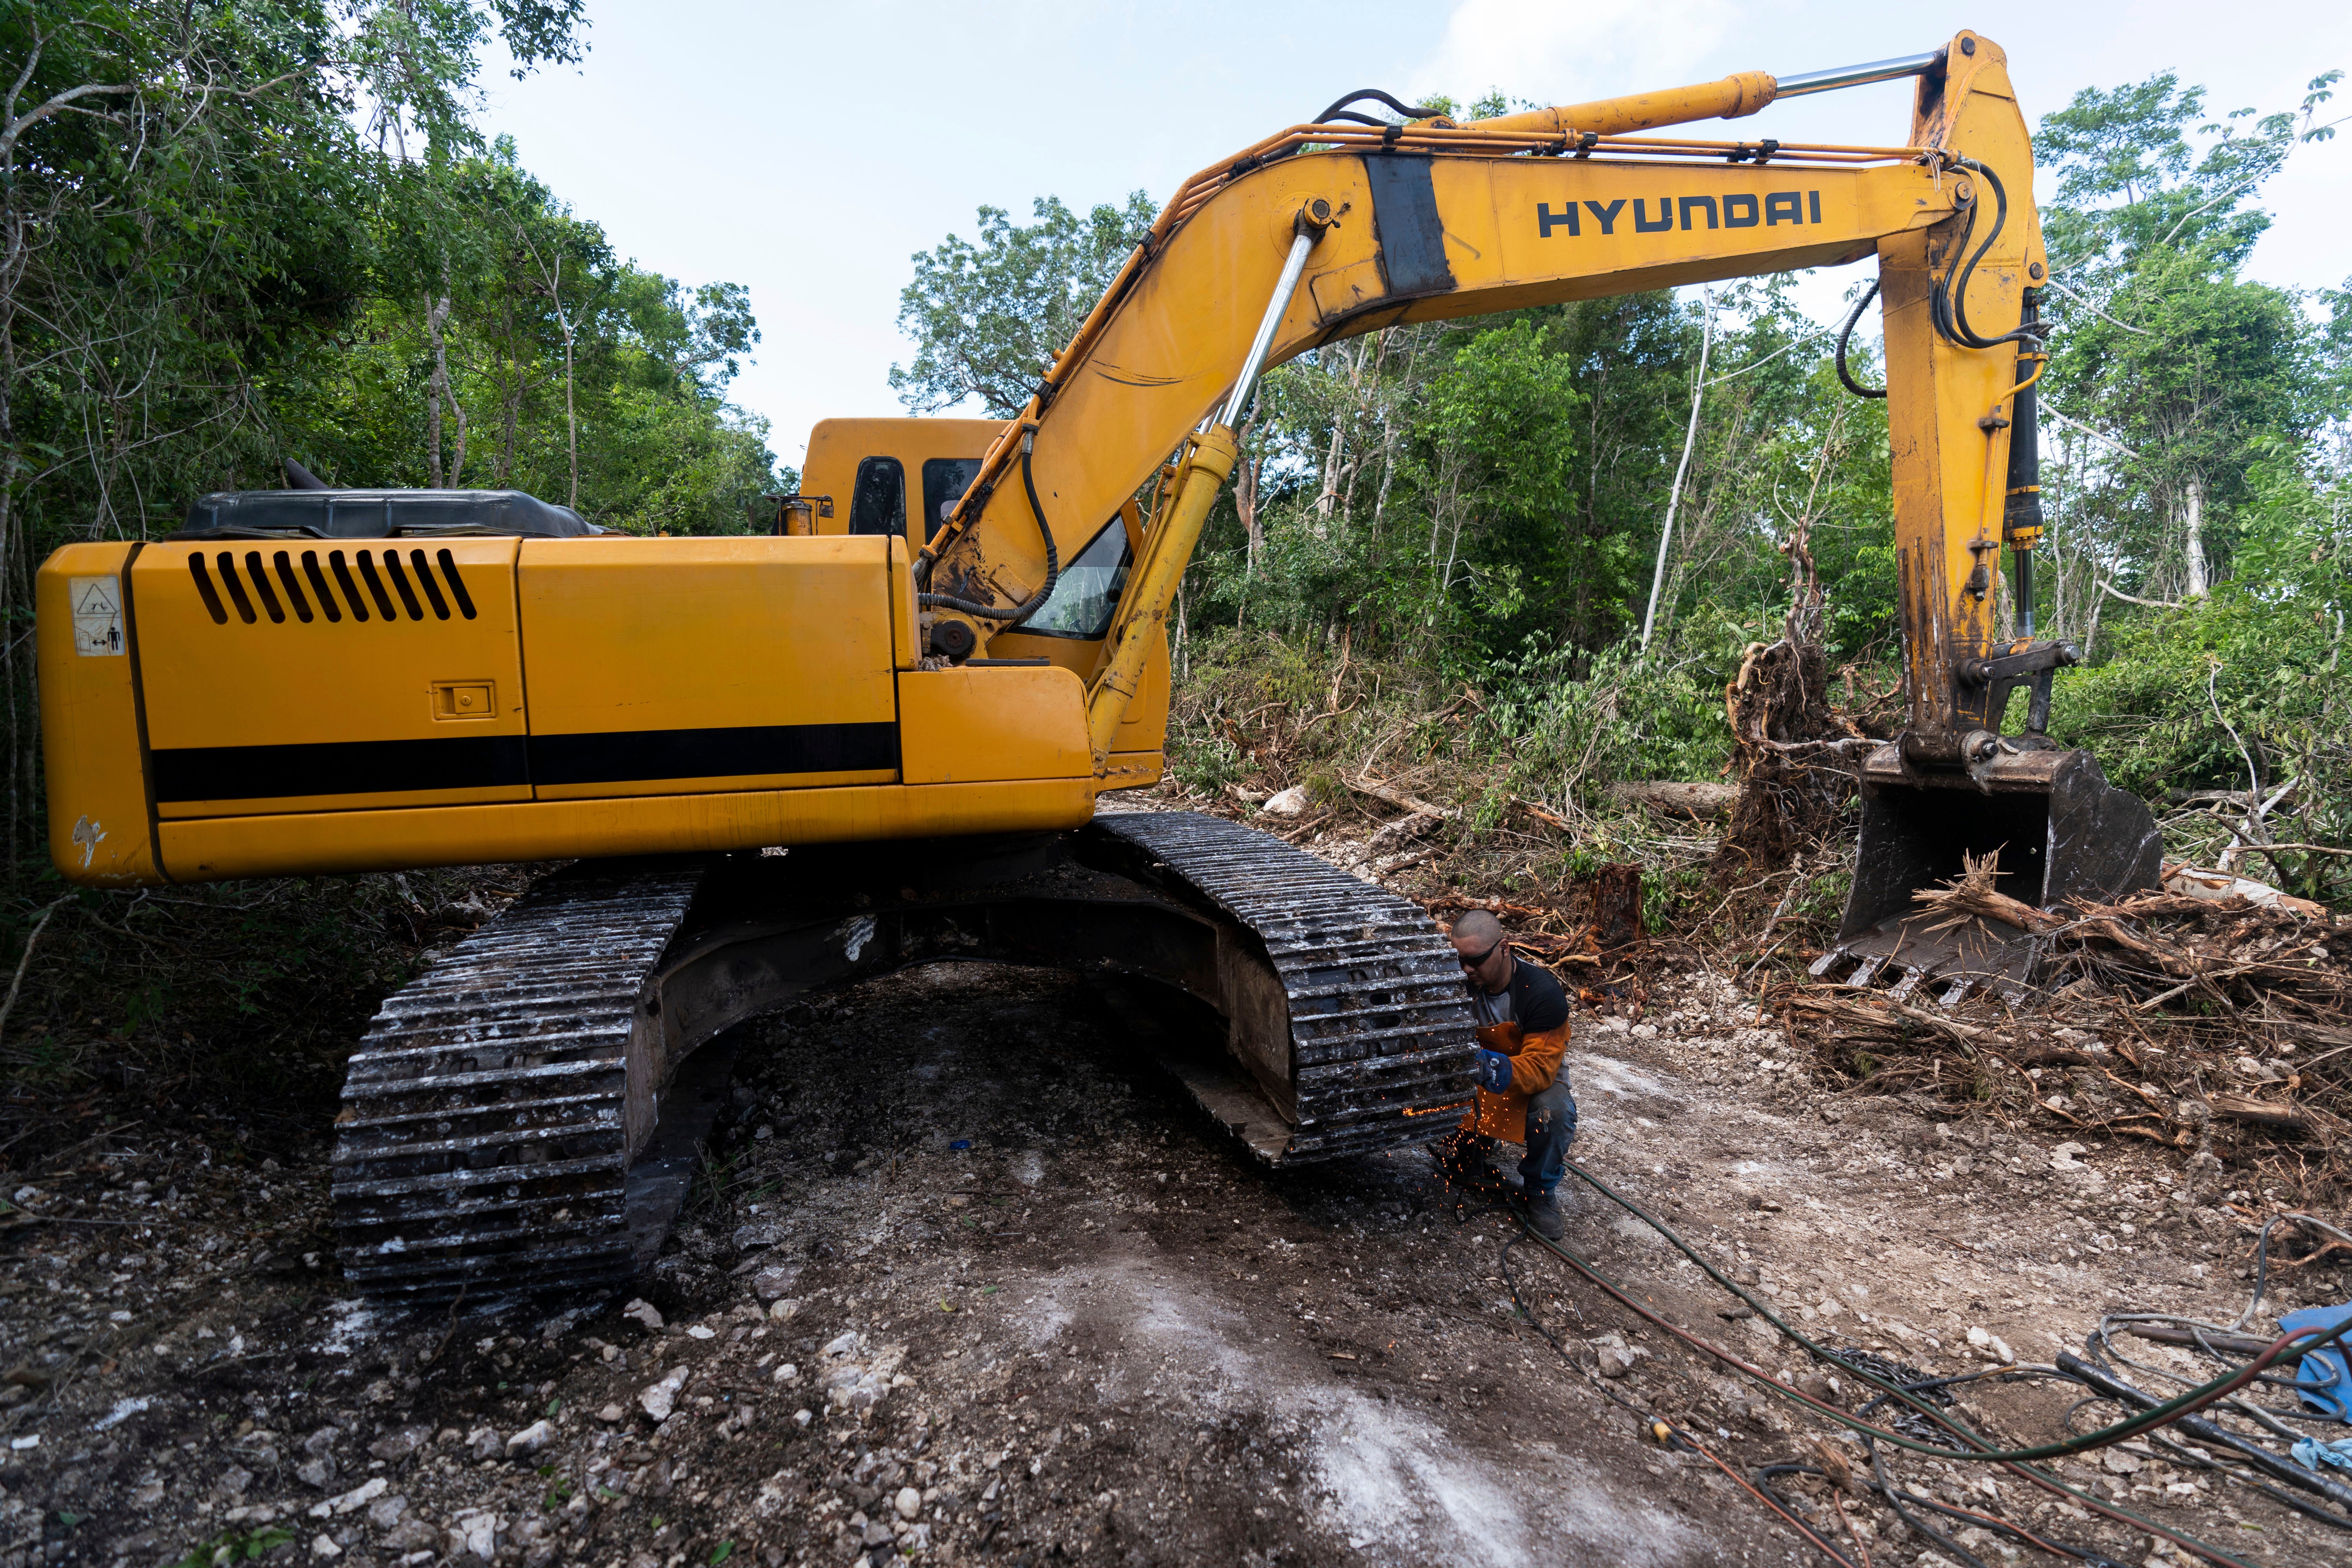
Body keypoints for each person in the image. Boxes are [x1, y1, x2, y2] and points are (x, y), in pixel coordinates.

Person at [1430, 909, 1577, 1238]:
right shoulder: (1458, 981)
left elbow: (1540, 1069)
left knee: (1553, 1111)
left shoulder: (1540, 993)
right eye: (1459, 960)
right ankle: (1470, 1149)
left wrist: (1481, 1064)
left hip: (1528, 1084)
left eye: (1476, 960)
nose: (1467, 970)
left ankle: (1540, 1192)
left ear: (1504, 948)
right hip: (1475, 1078)